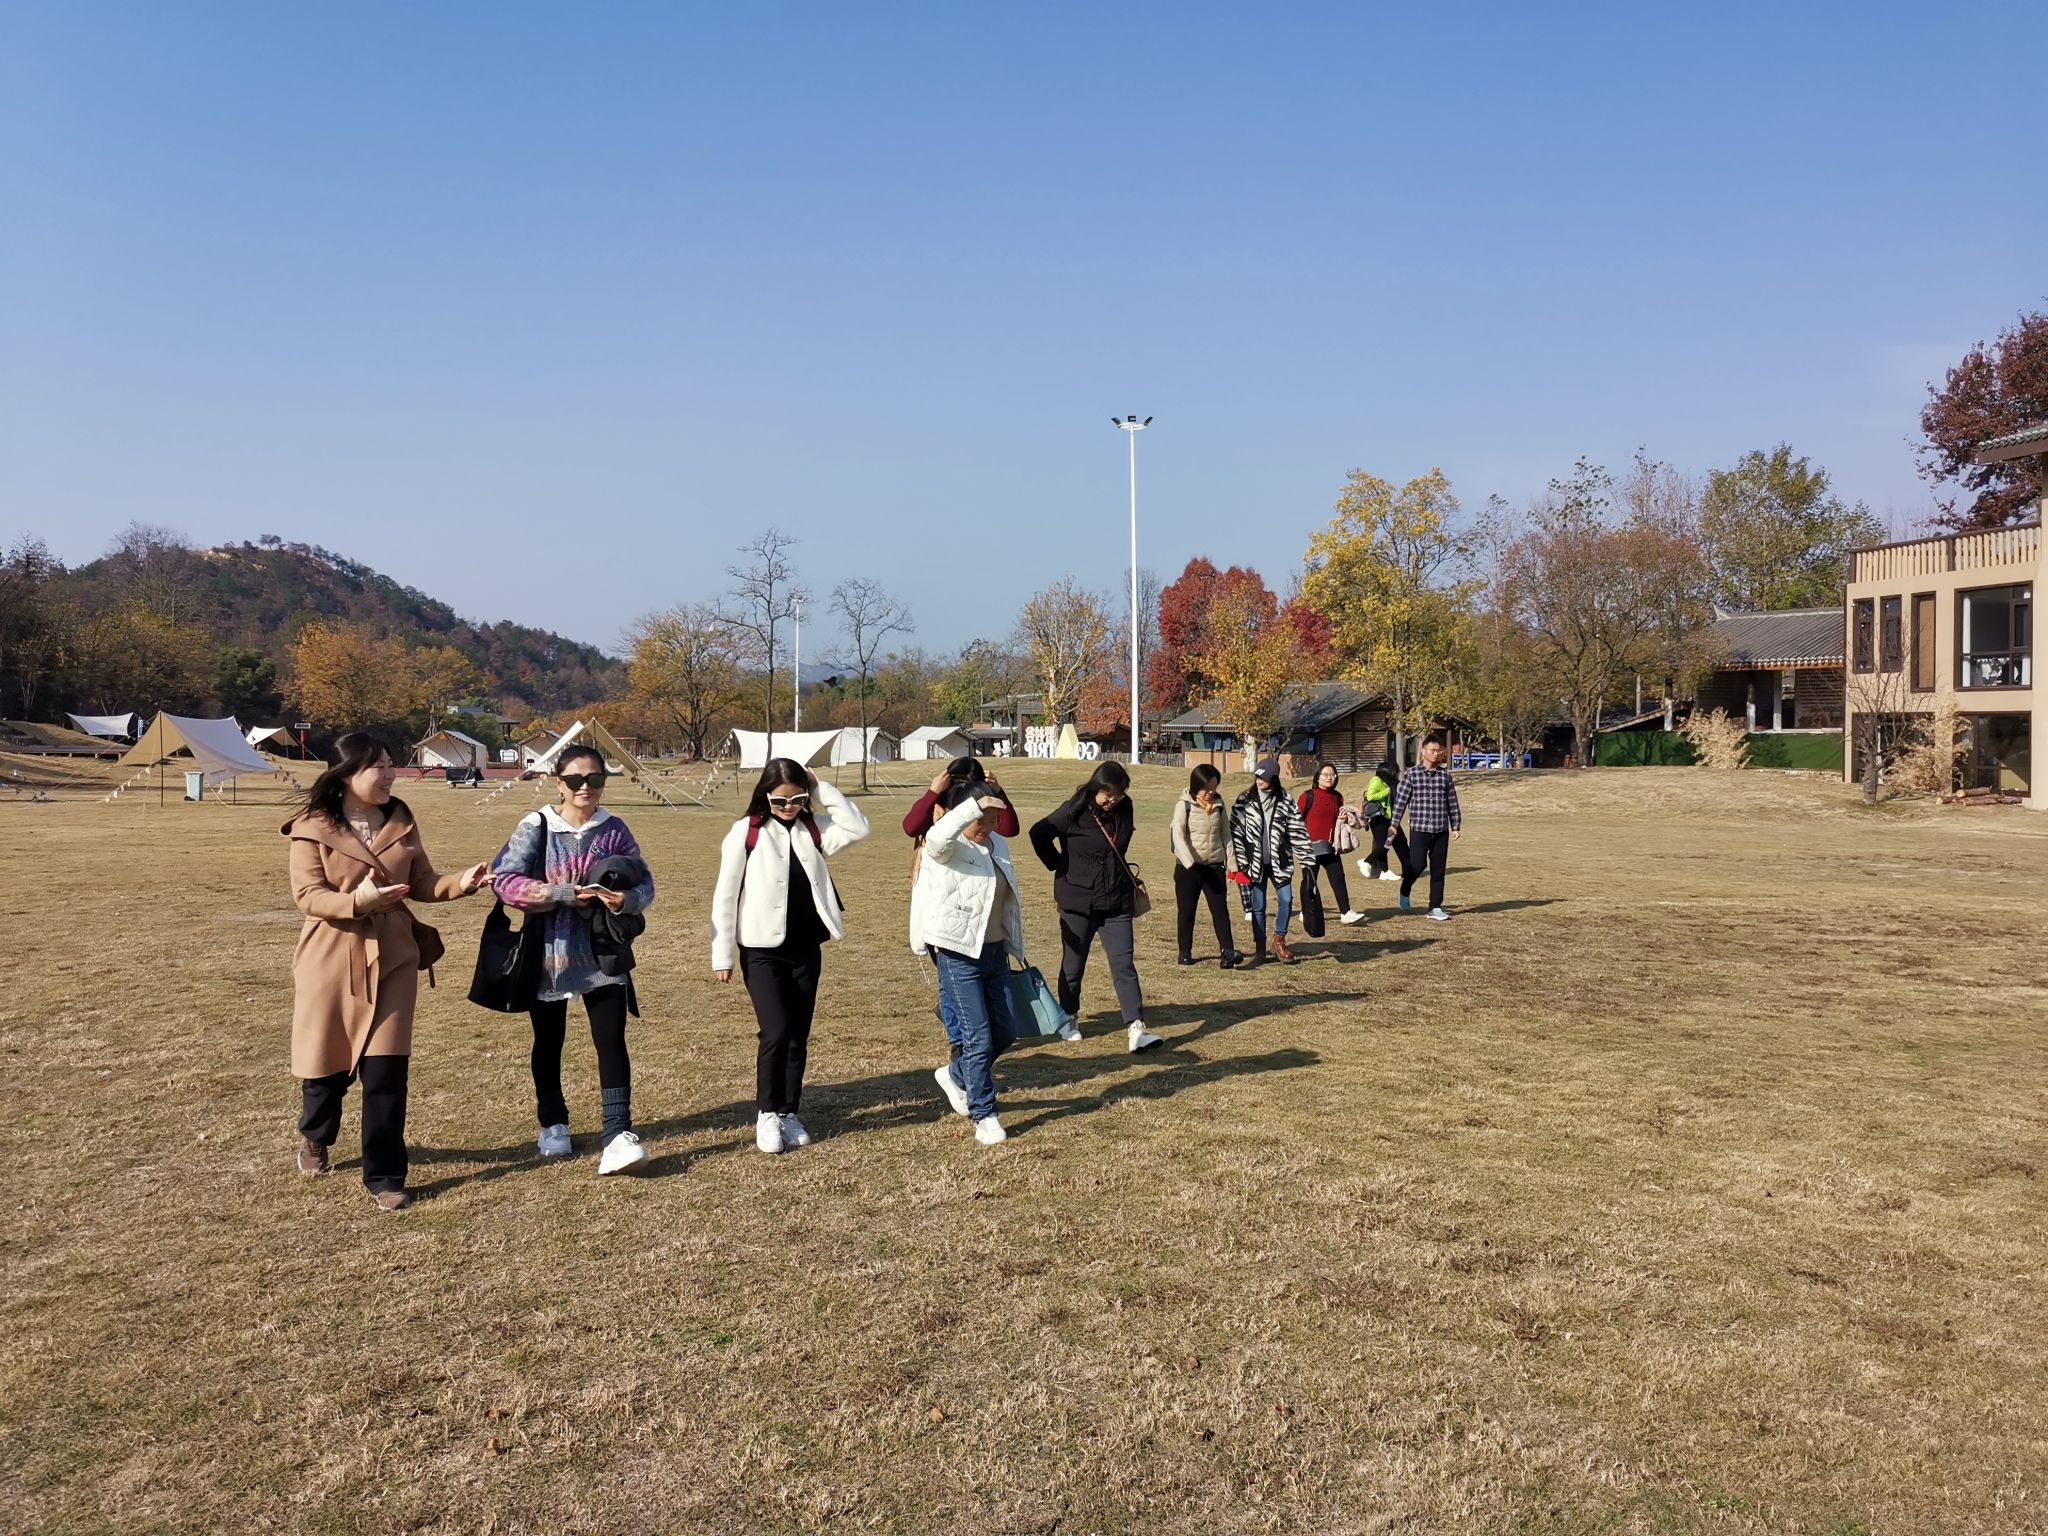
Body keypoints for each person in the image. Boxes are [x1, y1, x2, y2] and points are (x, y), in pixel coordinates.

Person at [284, 732, 490, 1211]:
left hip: (395, 957)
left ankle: (385, 1176)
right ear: (346, 774)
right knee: (328, 1069)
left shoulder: (400, 818)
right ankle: (316, 1135)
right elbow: (308, 896)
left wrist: (462, 882)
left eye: (391, 763)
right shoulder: (311, 827)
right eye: (379, 765)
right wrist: (360, 900)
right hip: (332, 957)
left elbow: (421, 882)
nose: (390, 774)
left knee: (386, 1072)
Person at [490, 743, 658, 1175]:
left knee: (611, 1039)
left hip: (604, 952)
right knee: (549, 1041)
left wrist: (624, 900)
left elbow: (646, 884)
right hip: (549, 954)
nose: (586, 787)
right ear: (558, 782)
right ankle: (553, 1123)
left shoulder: (614, 829)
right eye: (575, 779)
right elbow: (504, 881)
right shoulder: (537, 825)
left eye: (595, 778)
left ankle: (617, 1134)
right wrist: (563, 893)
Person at [711, 757, 871, 1154]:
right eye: (779, 800)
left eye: (797, 799)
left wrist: (819, 787)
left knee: (798, 1034)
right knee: (776, 1031)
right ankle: (766, 1112)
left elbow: (858, 827)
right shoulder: (746, 832)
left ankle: (788, 1111)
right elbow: (725, 894)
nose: (788, 807)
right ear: (764, 796)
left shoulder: (813, 828)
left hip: (805, 947)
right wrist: (722, 954)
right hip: (760, 950)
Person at [902, 758, 1074, 1055]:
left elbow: (1009, 828)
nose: (972, 791)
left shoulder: (985, 816)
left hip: (979, 904)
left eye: (977, 784)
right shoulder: (944, 811)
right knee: (951, 981)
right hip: (942, 904)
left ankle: (973, 1045)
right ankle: (960, 1043)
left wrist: (997, 792)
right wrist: (933, 792)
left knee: (981, 985)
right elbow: (911, 827)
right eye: (964, 784)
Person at [912, 782, 1028, 1144]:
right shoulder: (946, 847)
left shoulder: (998, 844)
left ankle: (956, 1075)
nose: (989, 826)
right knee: (977, 1037)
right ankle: (984, 1113)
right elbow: (936, 837)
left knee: (1005, 1032)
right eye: (982, 818)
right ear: (962, 815)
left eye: (994, 818)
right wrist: (971, 807)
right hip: (958, 954)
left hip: (994, 952)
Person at [1028, 760, 1160, 1052]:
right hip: (1078, 901)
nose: (1113, 800)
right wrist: (1058, 864)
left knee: (1124, 964)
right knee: (1073, 965)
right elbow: (1038, 833)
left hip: (1116, 900)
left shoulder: (1125, 808)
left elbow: (1117, 848)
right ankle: (1069, 1016)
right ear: (1095, 788)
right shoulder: (1073, 810)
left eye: (1118, 795)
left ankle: (1136, 1026)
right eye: (1107, 794)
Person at [1229, 758, 1315, 965]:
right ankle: (1260, 946)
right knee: (1258, 906)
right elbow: (1235, 832)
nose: (1259, 780)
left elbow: (1297, 830)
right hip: (1254, 863)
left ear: (1273, 778)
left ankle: (1279, 940)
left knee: (1286, 899)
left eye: (1264, 777)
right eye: (1257, 776)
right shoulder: (1244, 799)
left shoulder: (1285, 800)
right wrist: (1242, 861)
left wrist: (1306, 859)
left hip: (1281, 861)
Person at [1171, 764, 1241, 969]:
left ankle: (1227, 952)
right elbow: (1177, 835)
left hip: (1214, 866)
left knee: (1220, 911)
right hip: (1189, 869)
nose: (1210, 792)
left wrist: (1232, 864)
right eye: (1206, 788)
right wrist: (1189, 863)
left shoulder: (1219, 804)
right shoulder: (1184, 805)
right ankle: (1185, 952)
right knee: (1187, 911)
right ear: (1196, 785)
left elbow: (1226, 834)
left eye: (1214, 787)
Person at [1389, 730, 1463, 921]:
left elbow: (1452, 802)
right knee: (1417, 865)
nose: (1436, 754)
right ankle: (1405, 889)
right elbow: (1401, 802)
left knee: (1438, 869)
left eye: (1439, 750)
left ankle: (1435, 907)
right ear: (1423, 751)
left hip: (1440, 830)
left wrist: (1455, 826)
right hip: (1419, 829)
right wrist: (1394, 825)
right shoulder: (1412, 774)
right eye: (1432, 750)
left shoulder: (1445, 776)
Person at [1296, 762, 1367, 927]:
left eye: (1333, 775)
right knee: (1309, 881)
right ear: (1317, 777)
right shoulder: (1308, 796)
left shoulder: (1337, 797)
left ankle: (1346, 913)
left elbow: (1337, 820)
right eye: (1326, 774)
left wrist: (1343, 819)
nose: (1330, 777)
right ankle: (1305, 912)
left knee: (1338, 878)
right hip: (1309, 847)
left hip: (1330, 846)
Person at [1357, 759, 1406, 883]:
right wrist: (1386, 792)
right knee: (1384, 844)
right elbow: (1370, 796)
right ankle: (1366, 862)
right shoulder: (1376, 780)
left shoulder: (1389, 781)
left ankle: (1385, 871)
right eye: (1394, 771)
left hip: (1386, 817)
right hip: (1377, 818)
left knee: (1386, 843)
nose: (1396, 773)